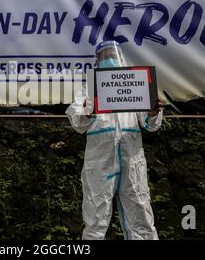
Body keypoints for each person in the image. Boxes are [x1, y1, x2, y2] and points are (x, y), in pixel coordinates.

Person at [66, 40, 164, 240]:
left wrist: (153, 112)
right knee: (95, 220)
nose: (110, 59)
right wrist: (87, 111)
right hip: (100, 163)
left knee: (141, 215)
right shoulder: (88, 90)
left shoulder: (134, 87)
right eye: (105, 55)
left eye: (113, 54)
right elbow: (77, 123)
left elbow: (150, 124)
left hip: (132, 161)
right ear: (97, 60)